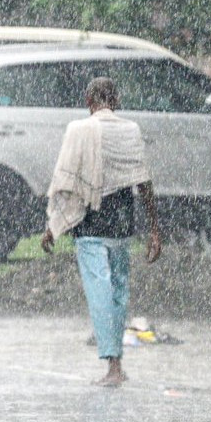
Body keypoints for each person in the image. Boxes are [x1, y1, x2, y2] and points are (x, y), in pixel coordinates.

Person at [41, 76, 162, 387]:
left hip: (92, 223)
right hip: (123, 222)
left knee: (100, 294)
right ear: (116, 100)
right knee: (119, 294)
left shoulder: (79, 130)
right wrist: (154, 230)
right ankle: (116, 360)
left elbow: (64, 182)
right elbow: (144, 181)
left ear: (88, 101)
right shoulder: (131, 130)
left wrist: (53, 226)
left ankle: (113, 366)